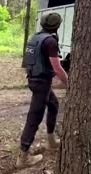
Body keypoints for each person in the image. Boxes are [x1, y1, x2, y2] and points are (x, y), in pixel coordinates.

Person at [17, 12, 69, 168]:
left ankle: (51, 141)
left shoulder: (36, 38)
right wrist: (68, 83)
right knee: (34, 118)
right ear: (57, 26)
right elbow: (57, 68)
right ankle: (23, 158)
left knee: (53, 104)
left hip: (34, 80)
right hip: (41, 84)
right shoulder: (50, 42)